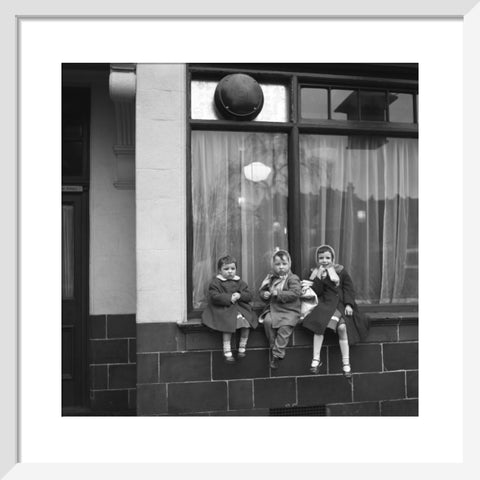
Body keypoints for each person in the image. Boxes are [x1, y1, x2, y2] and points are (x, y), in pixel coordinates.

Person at [301, 244, 369, 378]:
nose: (324, 260)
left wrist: (349, 304)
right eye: (321, 258)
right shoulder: (315, 273)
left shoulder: (341, 271)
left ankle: (346, 363)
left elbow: (348, 289)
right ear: (317, 259)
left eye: (327, 257)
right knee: (319, 327)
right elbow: (317, 291)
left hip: (340, 305)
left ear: (333, 258)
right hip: (325, 304)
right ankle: (316, 359)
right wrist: (318, 278)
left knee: (343, 328)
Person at [202, 255, 258, 362]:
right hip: (224, 309)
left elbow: (249, 295)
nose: (230, 271)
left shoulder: (240, 282)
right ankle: (227, 350)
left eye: (233, 269)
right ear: (219, 270)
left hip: (239, 308)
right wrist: (229, 298)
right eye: (226, 269)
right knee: (227, 325)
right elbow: (214, 296)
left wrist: (240, 295)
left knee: (247, 323)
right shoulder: (216, 283)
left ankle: (242, 347)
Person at [259, 249, 302, 369]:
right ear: (273, 266)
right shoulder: (271, 278)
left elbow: (295, 293)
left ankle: (277, 354)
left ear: (289, 264)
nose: (281, 267)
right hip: (274, 309)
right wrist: (264, 294)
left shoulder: (293, 278)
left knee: (284, 328)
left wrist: (278, 293)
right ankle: (273, 346)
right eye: (277, 264)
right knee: (267, 321)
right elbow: (263, 291)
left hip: (290, 310)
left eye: (284, 264)